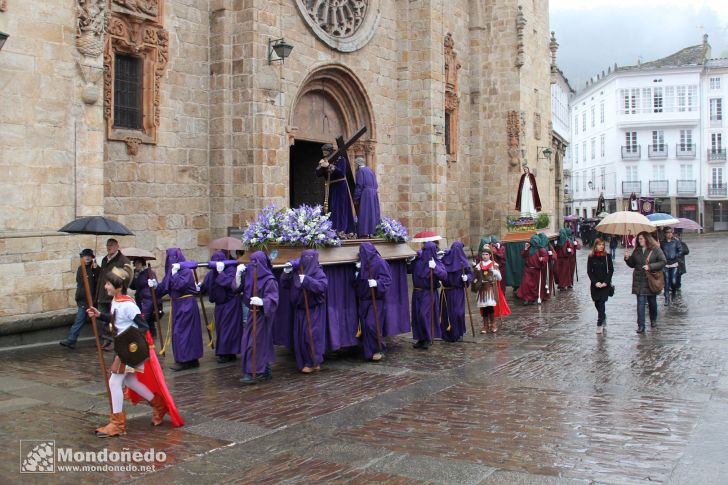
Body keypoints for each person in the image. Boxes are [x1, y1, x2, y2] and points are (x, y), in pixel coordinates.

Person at [86, 264, 182, 437]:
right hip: (123, 347)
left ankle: (117, 424)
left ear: (118, 285)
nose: (105, 286)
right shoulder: (117, 301)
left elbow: (143, 326)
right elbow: (116, 320)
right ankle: (159, 406)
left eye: (108, 284)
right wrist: (100, 315)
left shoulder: (128, 305)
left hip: (127, 348)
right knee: (130, 382)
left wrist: (131, 348)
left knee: (114, 383)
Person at [281, 249, 328, 373]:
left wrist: (307, 281)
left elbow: (322, 286)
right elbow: (284, 285)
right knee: (301, 337)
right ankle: (307, 361)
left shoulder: (318, 272)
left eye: (309, 257)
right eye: (304, 257)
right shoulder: (297, 270)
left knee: (311, 335)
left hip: (313, 309)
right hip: (300, 309)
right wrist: (286, 273)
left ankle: (313, 361)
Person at [156, 248, 204, 371]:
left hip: (187, 304)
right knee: (180, 333)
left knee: (184, 333)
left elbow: (179, 285)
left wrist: (175, 273)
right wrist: (155, 286)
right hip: (178, 305)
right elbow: (164, 288)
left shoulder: (186, 271)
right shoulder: (170, 271)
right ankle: (188, 359)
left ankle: (187, 360)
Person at [238, 251, 279, 384]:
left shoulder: (269, 280)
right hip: (252, 314)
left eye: (255, 263)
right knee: (251, 341)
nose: (252, 266)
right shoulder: (251, 277)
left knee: (255, 343)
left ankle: (254, 371)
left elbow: (273, 300)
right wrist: (239, 275)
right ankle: (265, 369)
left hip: (262, 315)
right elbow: (240, 291)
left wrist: (262, 302)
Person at [201, 251, 242, 363]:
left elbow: (232, 284)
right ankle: (227, 352)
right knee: (221, 328)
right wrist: (199, 287)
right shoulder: (211, 273)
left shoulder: (231, 270)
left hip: (231, 303)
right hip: (220, 305)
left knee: (229, 328)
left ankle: (227, 353)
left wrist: (221, 273)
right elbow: (205, 286)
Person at [353, 242, 392, 360]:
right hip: (364, 300)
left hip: (376, 300)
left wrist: (377, 283)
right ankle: (369, 352)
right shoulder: (362, 264)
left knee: (372, 325)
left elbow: (387, 280)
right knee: (365, 327)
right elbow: (356, 283)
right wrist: (357, 273)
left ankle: (380, 349)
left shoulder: (380, 263)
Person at [624, 231, 666, 333]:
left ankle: (653, 320)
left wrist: (650, 266)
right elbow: (633, 264)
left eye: (641, 238)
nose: (640, 240)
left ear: (647, 239)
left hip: (650, 279)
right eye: (639, 239)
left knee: (652, 302)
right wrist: (627, 259)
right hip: (639, 279)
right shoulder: (637, 251)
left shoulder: (655, 249)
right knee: (640, 303)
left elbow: (663, 261)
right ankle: (641, 326)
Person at [408, 240, 447, 349]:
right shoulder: (418, 261)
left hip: (428, 292)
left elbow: (444, 275)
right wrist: (409, 261)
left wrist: (435, 268)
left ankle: (428, 337)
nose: (425, 252)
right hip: (417, 291)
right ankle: (421, 338)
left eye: (427, 250)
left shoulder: (436, 262)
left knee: (423, 314)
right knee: (417, 316)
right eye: (424, 249)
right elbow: (408, 270)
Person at [60, 248, 101, 349]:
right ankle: (71, 340)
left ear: (92, 257)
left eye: (89, 256)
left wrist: (96, 270)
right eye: (85, 256)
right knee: (79, 320)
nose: (87, 257)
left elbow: (99, 282)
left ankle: (103, 341)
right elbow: (80, 284)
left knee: (98, 323)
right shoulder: (80, 268)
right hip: (83, 300)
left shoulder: (95, 268)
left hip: (92, 300)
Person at [95, 238, 131, 350]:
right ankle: (106, 339)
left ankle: (112, 340)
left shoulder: (123, 260)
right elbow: (102, 277)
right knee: (101, 319)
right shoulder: (105, 260)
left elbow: (126, 278)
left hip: (114, 294)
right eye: (107, 245)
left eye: (111, 245)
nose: (109, 247)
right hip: (103, 293)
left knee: (113, 319)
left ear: (117, 246)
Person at [317, 144, 355, 234]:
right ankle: (328, 229)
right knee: (329, 208)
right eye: (323, 152)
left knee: (339, 208)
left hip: (340, 187)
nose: (324, 154)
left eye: (326, 152)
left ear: (330, 151)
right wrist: (321, 166)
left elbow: (341, 172)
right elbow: (318, 174)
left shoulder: (341, 159)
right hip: (330, 188)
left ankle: (340, 229)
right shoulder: (325, 160)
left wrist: (329, 166)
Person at [439, 241, 472, 342]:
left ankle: (459, 332)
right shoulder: (445, 259)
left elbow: (470, 273)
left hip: (458, 292)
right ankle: (446, 334)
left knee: (458, 312)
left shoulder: (464, 262)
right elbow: (440, 271)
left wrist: (467, 278)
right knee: (446, 313)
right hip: (446, 292)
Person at [472, 247, 510, 333]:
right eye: (483, 254)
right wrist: (474, 268)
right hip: (482, 288)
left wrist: (495, 272)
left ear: (490, 255)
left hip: (490, 288)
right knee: (484, 307)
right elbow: (476, 277)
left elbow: (499, 278)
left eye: (486, 254)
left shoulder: (494, 264)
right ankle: (485, 325)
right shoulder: (479, 265)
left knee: (489, 306)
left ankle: (493, 324)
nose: (484, 256)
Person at [587, 238, 614, 334]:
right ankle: (603, 316)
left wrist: (606, 282)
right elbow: (589, 271)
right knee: (597, 303)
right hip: (595, 285)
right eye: (599, 244)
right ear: (595, 246)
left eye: (603, 244)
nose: (601, 246)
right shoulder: (591, 257)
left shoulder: (607, 256)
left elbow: (611, 270)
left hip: (605, 284)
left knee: (602, 303)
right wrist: (595, 282)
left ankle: (599, 324)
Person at [130, 258, 159, 339]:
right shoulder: (136, 273)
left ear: (142, 264)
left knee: (145, 317)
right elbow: (133, 287)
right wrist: (132, 279)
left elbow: (155, 284)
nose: (136, 265)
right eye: (135, 263)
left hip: (148, 298)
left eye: (138, 263)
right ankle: (151, 334)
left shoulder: (148, 272)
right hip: (139, 298)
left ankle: (147, 335)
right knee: (147, 318)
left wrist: (153, 283)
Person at [353, 157, 381, 238]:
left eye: (355, 164)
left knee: (365, 212)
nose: (355, 165)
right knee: (373, 212)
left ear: (357, 164)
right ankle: (373, 232)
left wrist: (356, 197)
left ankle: (364, 233)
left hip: (366, 194)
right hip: (373, 193)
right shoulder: (370, 170)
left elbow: (359, 185)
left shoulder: (360, 171)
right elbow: (376, 184)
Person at [516, 234, 547, 305]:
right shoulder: (529, 248)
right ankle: (527, 298)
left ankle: (535, 298)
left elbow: (545, 257)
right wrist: (526, 249)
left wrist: (542, 259)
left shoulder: (541, 249)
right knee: (526, 284)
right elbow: (523, 255)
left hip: (537, 270)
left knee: (536, 285)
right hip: (528, 269)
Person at [660, 227, 683, 305]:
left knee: (673, 281)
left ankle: (673, 293)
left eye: (670, 232)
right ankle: (666, 298)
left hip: (674, 264)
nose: (669, 234)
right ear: (665, 234)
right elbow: (659, 252)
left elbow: (680, 250)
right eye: (667, 232)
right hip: (665, 264)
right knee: (666, 281)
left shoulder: (676, 241)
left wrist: (676, 256)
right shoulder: (662, 242)